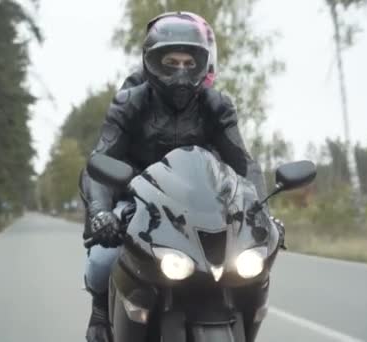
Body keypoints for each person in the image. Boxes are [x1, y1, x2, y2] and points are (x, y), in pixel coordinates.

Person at [79, 12, 281, 342]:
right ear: (152, 62)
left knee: (248, 263)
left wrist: (261, 212)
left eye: (190, 62)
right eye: (170, 61)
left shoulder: (216, 105)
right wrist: (101, 214)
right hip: (139, 199)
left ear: (203, 63)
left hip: (200, 204)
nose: (180, 71)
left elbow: (244, 165)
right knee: (102, 258)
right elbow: (100, 163)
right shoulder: (130, 102)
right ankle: (100, 314)